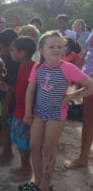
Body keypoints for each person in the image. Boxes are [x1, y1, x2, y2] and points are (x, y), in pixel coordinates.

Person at [20, 31, 93, 191]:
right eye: (51, 46)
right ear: (41, 49)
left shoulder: (68, 68)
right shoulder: (38, 67)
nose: (56, 49)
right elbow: (30, 90)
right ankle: (37, 181)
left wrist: (70, 96)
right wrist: (27, 112)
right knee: (34, 146)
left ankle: (45, 186)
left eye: (60, 46)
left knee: (48, 149)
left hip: (56, 115)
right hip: (38, 114)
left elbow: (91, 86)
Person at [0, 28, 19, 167]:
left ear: (10, 45)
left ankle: (7, 155)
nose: (0, 49)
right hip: (0, 95)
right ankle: (5, 149)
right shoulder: (5, 57)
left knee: (6, 125)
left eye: (1, 47)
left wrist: (6, 104)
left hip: (9, 99)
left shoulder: (14, 61)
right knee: (0, 123)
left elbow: (12, 85)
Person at [8, 36, 36, 183]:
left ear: (23, 52)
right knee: (19, 143)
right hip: (18, 111)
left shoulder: (34, 68)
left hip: (26, 113)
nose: (10, 52)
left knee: (25, 145)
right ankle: (23, 167)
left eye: (13, 50)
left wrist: (28, 113)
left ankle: (27, 170)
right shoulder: (22, 65)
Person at [64, 31, 93, 170]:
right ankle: (83, 158)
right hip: (89, 79)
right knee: (88, 119)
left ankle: (83, 158)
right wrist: (81, 72)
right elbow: (89, 51)